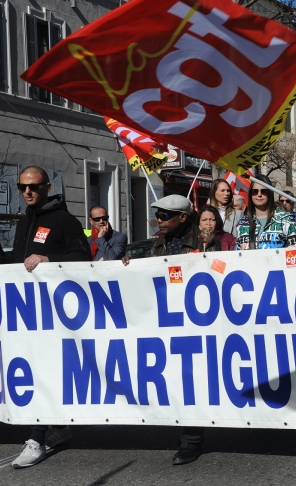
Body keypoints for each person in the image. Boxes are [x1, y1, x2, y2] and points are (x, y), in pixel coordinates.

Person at [0, 165, 92, 469]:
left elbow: (84, 258)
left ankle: (36, 438)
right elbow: (19, 260)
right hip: (28, 313)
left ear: (46, 188)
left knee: (41, 371)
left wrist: (48, 259)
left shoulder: (64, 220)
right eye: (21, 188)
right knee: (39, 370)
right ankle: (57, 428)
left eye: (32, 187)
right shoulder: (23, 222)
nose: (26, 192)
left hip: (56, 313)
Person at [122, 194, 204, 465]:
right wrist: (128, 265)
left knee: (192, 379)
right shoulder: (158, 244)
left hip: (196, 322)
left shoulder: (206, 243)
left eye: (166, 215)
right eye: (158, 214)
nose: (159, 219)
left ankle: (191, 440)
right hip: (167, 321)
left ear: (183, 217)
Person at [236, 175, 296, 249]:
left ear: (269, 193)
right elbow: (237, 255)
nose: (259, 194)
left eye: (264, 191)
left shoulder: (286, 220)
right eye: (255, 191)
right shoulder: (242, 223)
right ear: (250, 194)